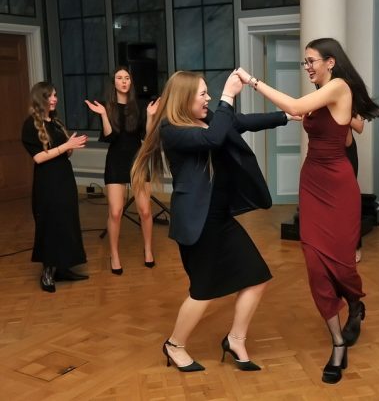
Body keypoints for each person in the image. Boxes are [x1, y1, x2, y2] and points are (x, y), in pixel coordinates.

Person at [235, 37, 379, 384]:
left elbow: (297, 105)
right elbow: (328, 127)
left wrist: (252, 81)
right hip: (313, 181)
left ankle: (355, 301)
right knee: (315, 264)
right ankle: (337, 342)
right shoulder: (323, 93)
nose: (307, 67)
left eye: (311, 61)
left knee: (342, 263)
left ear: (330, 62)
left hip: (338, 185)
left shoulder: (339, 86)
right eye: (304, 62)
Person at [131, 71, 295, 372]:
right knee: (203, 290)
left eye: (209, 93)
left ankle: (236, 339)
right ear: (184, 98)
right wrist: (228, 96)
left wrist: (287, 116)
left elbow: (242, 122)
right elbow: (213, 138)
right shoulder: (171, 129)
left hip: (220, 218)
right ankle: (174, 345)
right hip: (198, 223)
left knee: (257, 276)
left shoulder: (207, 119)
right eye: (203, 94)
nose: (208, 99)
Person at [85, 67, 159, 274]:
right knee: (116, 212)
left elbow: (147, 136)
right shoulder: (107, 106)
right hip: (116, 160)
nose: (124, 81)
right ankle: (114, 254)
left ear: (131, 82)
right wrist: (103, 115)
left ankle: (148, 249)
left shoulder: (140, 105)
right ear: (114, 82)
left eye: (127, 78)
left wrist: (150, 116)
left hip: (137, 161)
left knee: (145, 210)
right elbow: (110, 137)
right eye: (120, 78)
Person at [21, 82, 89, 292]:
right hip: (47, 183)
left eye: (55, 95)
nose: (54, 99)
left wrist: (71, 146)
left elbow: (63, 152)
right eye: (50, 96)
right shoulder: (30, 125)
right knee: (51, 225)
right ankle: (47, 273)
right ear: (39, 99)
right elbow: (39, 157)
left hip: (64, 179)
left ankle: (63, 269)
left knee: (67, 222)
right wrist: (66, 145)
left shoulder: (56, 122)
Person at [345, 116, 364, 263]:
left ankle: (355, 245)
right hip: (327, 148)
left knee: (349, 201)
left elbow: (359, 127)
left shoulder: (353, 103)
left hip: (346, 150)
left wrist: (343, 112)